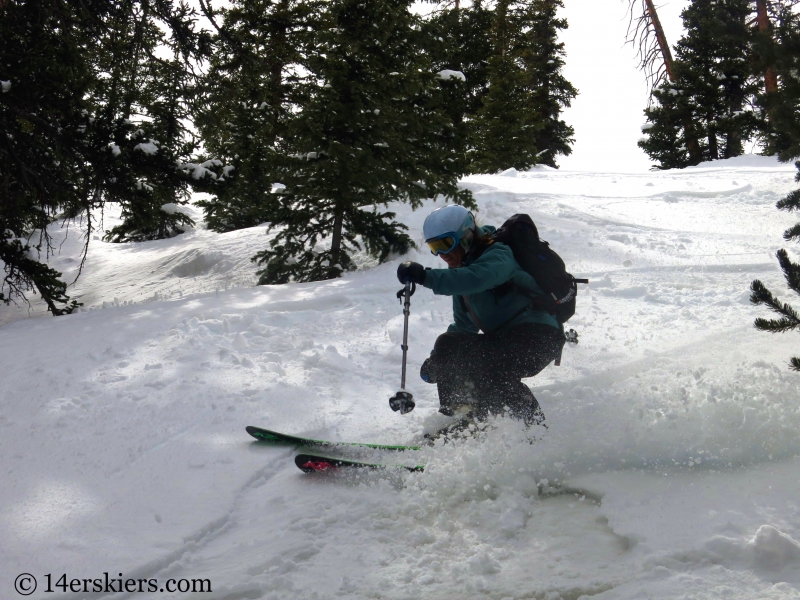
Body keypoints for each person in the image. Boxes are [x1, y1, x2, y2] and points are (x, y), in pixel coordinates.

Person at [396, 204, 565, 426]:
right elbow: (463, 327)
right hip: (504, 341)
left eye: (445, 243)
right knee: (449, 342)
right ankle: (461, 420)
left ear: (466, 237)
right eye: (434, 246)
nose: (441, 254)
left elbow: (477, 278)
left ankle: (534, 433)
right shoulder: (461, 271)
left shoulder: (499, 254)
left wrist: (426, 277)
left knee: (490, 369)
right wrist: (439, 360)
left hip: (539, 336)